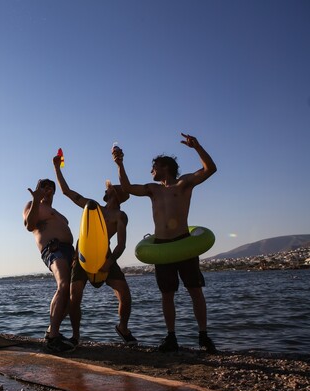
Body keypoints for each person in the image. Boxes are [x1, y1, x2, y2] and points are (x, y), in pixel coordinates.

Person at [113, 133, 217, 353]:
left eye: (155, 166)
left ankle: (203, 336)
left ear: (165, 167)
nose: (151, 170)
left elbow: (210, 169)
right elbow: (128, 187)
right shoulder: (153, 189)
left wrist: (197, 147)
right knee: (167, 294)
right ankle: (171, 337)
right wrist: (120, 164)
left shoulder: (184, 183)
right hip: (161, 246)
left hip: (183, 242)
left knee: (195, 291)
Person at [53, 154, 137, 347]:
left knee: (124, 293)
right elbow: (67, 191)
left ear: (117, 195)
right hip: (81, 257)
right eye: (110, 189)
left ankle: (123, 328)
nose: (110, 191)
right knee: (75, 298)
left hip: (105, 257)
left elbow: (121, 244)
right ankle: (75, 337)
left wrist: (108, 263)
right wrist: (57, 168)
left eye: (113, 190)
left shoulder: (120, 216)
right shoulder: (93, 208)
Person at [23, 178, 76, 352]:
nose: (47, 189)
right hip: (53, 248)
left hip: (70, 251)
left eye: (50, 187)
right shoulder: (33, 205)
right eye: (43, 186)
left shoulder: (57, 212)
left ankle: (51, 331)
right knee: (63, 285)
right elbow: (29, 226)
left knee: (71, 293)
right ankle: (53, 337)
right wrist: (36, 200)